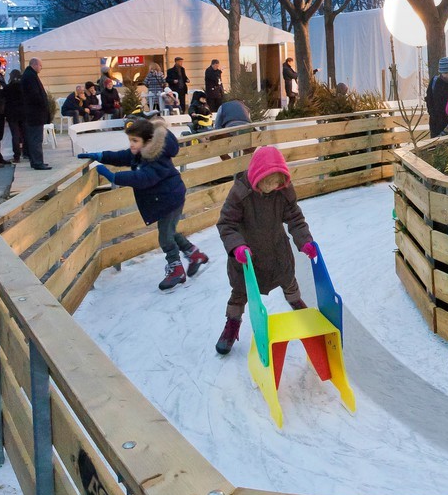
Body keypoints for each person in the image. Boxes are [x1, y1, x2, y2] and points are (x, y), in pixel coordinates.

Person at [79, 117, 209, 290]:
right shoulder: (141, 152)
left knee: (165, 236)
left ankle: (176, 269)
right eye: (130, 140)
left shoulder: (157, 157)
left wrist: (115, 177)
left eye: (135, 141)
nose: (131, 144)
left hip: (170, 198)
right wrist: (101, 156)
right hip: (165, 198)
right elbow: (123, 156)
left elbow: (144, 178)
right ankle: (195, 255)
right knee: (169, 231)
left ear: (147, 141)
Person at [214, 146, 317, 356]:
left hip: (277, 251)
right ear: (256, 175)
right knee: (240, 292)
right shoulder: (240, 193)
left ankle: (299, 308)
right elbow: (226, 224)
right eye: (267, 181)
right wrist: (237, 247)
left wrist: (305, 241)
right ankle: (232, 325)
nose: (272, 187)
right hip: (246, 257)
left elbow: (295, 219)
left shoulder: (283, 191)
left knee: (288, 280)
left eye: (277, 182)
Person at [21, 58, 53, 170]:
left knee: (34, 138)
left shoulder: (29, 75)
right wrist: (43, 104)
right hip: (34, 113)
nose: (41, 67)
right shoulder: (30, 77)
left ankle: (36, 161)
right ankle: (37, 162)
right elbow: (34, 95)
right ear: (34, 65)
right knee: (36, 139)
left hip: (33, 113)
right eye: (40, 65)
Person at [4, 68, 26, 163]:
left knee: (15, 135)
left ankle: (16, 156)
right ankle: (26, 153)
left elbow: (3, 96)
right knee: (24, 134)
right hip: (23, 112)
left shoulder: (8, 87)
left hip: (12, 114)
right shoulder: (23, 86)